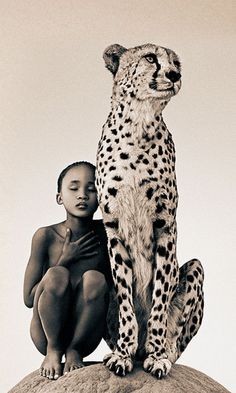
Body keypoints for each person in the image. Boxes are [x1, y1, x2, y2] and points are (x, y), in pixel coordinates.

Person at [23, 161, 112, 380]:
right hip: (46, 333)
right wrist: (65, 259)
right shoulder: (45, 236)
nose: (82, 195)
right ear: (59, 197)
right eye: (74, 188)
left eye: (91, 189)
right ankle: (54, 351)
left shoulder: (106, 234)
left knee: (95, 279)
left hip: (86, 334)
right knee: (56, 274)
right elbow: (28, 298)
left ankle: (74, 350)